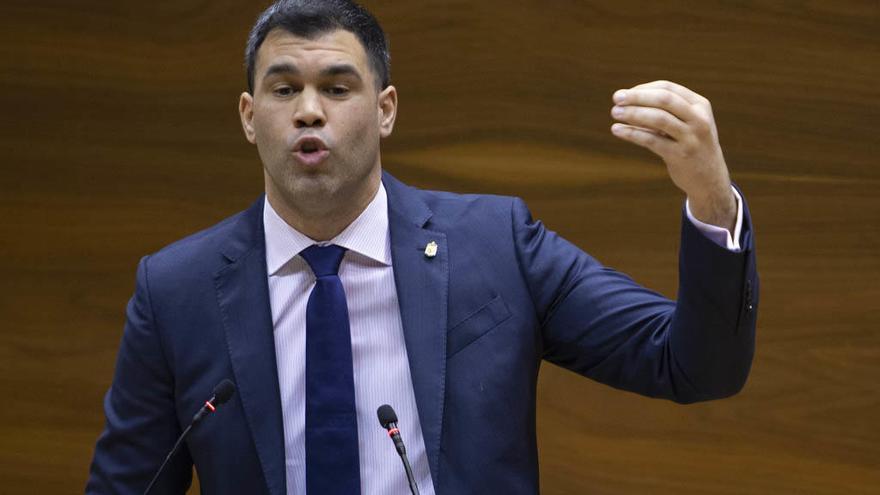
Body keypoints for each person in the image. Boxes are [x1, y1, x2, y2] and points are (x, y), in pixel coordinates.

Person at [86, 0, 758, 494]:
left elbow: (693, 365)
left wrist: (711, 199)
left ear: (385, 109)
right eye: (284, 88)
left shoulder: (497, 246)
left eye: (338, 87)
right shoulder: (177, 289)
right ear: (248, 115)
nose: (310, 111)